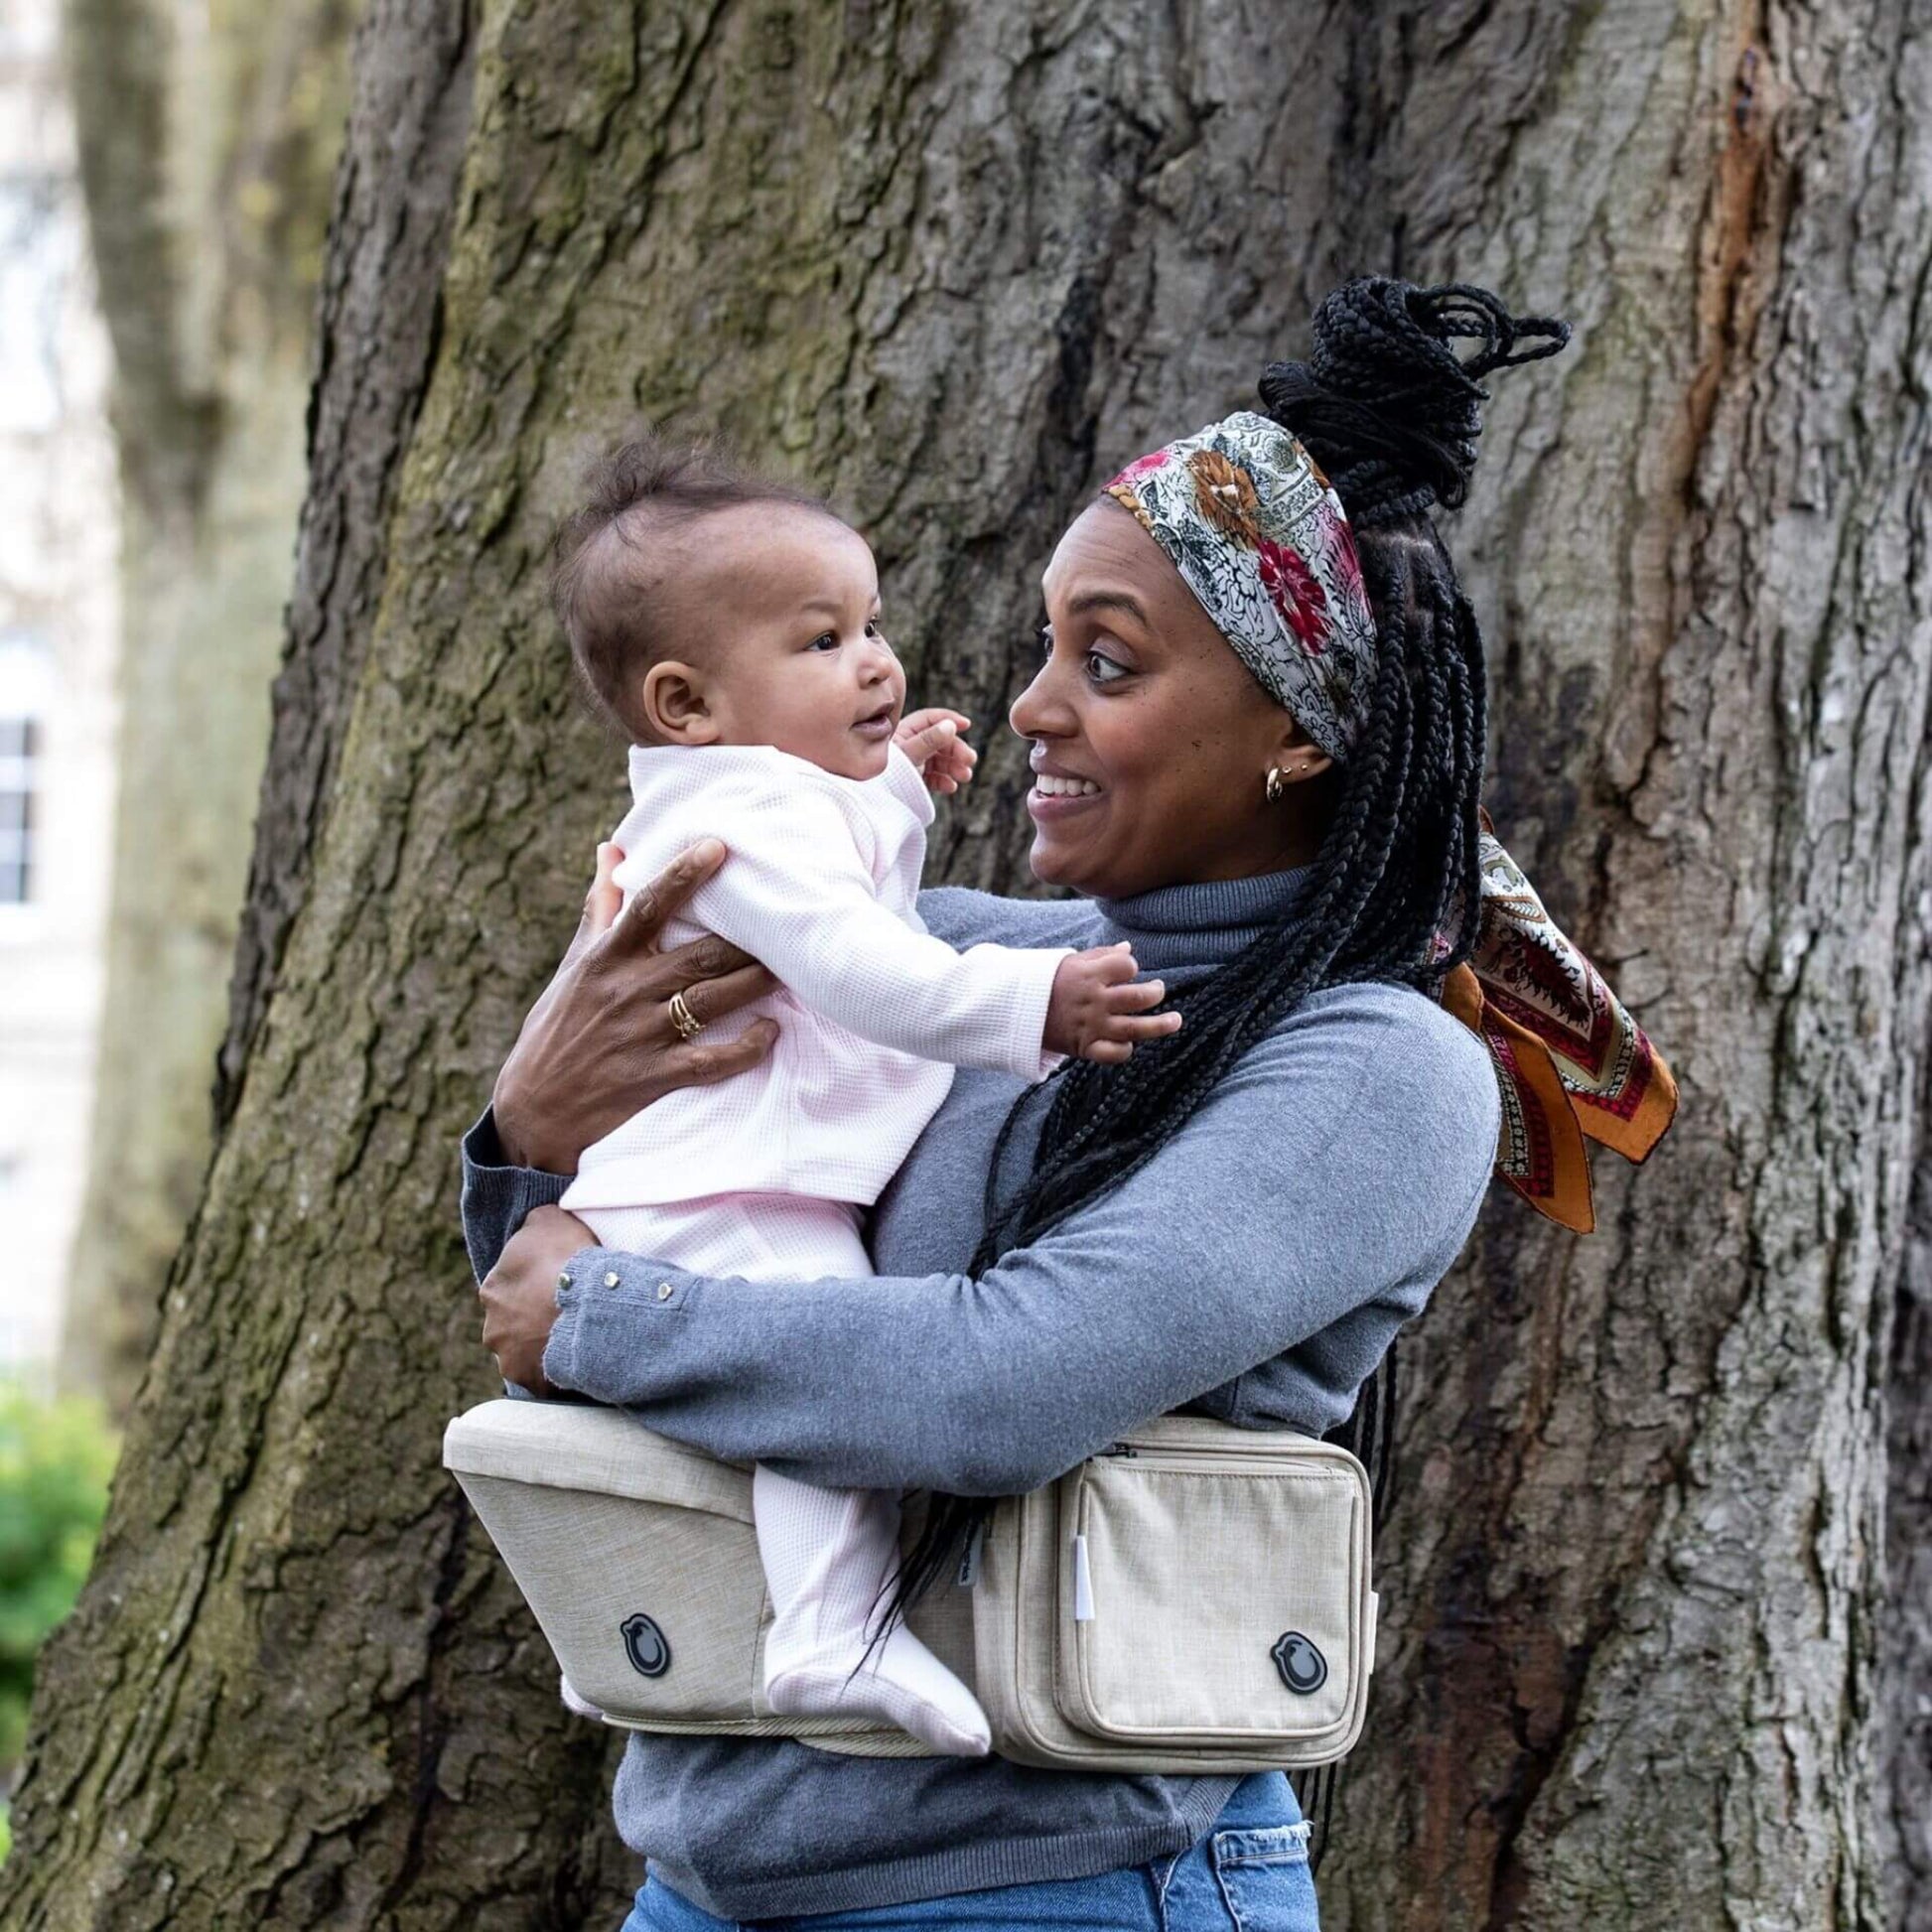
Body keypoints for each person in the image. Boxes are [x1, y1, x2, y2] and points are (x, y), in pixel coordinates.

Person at [470, 278, 1670, 1930]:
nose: (1030, 704)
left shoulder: (1375, 1072)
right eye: (1046, 649)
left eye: (1102, 661)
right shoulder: (953, 961)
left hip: (1060, 1882)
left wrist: (595, 1309)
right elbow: (599, 1269)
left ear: (1294, 737)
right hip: (709, 1865)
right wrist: (527, 1142)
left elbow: (1000, 1384)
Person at [540, 439, 1179, 1755]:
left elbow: (845, 856)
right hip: (730, 1184)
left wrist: (895, 771)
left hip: (706, 1173)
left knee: (716, 1435)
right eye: (823, 640)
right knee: (829, 1358)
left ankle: (624, 1625)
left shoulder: (753, 794)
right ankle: (829, 1637)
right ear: (684, 703)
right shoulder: (737, 835)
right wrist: (1027, 1004)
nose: (876, 662)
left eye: (871, 626)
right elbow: (860, 960)